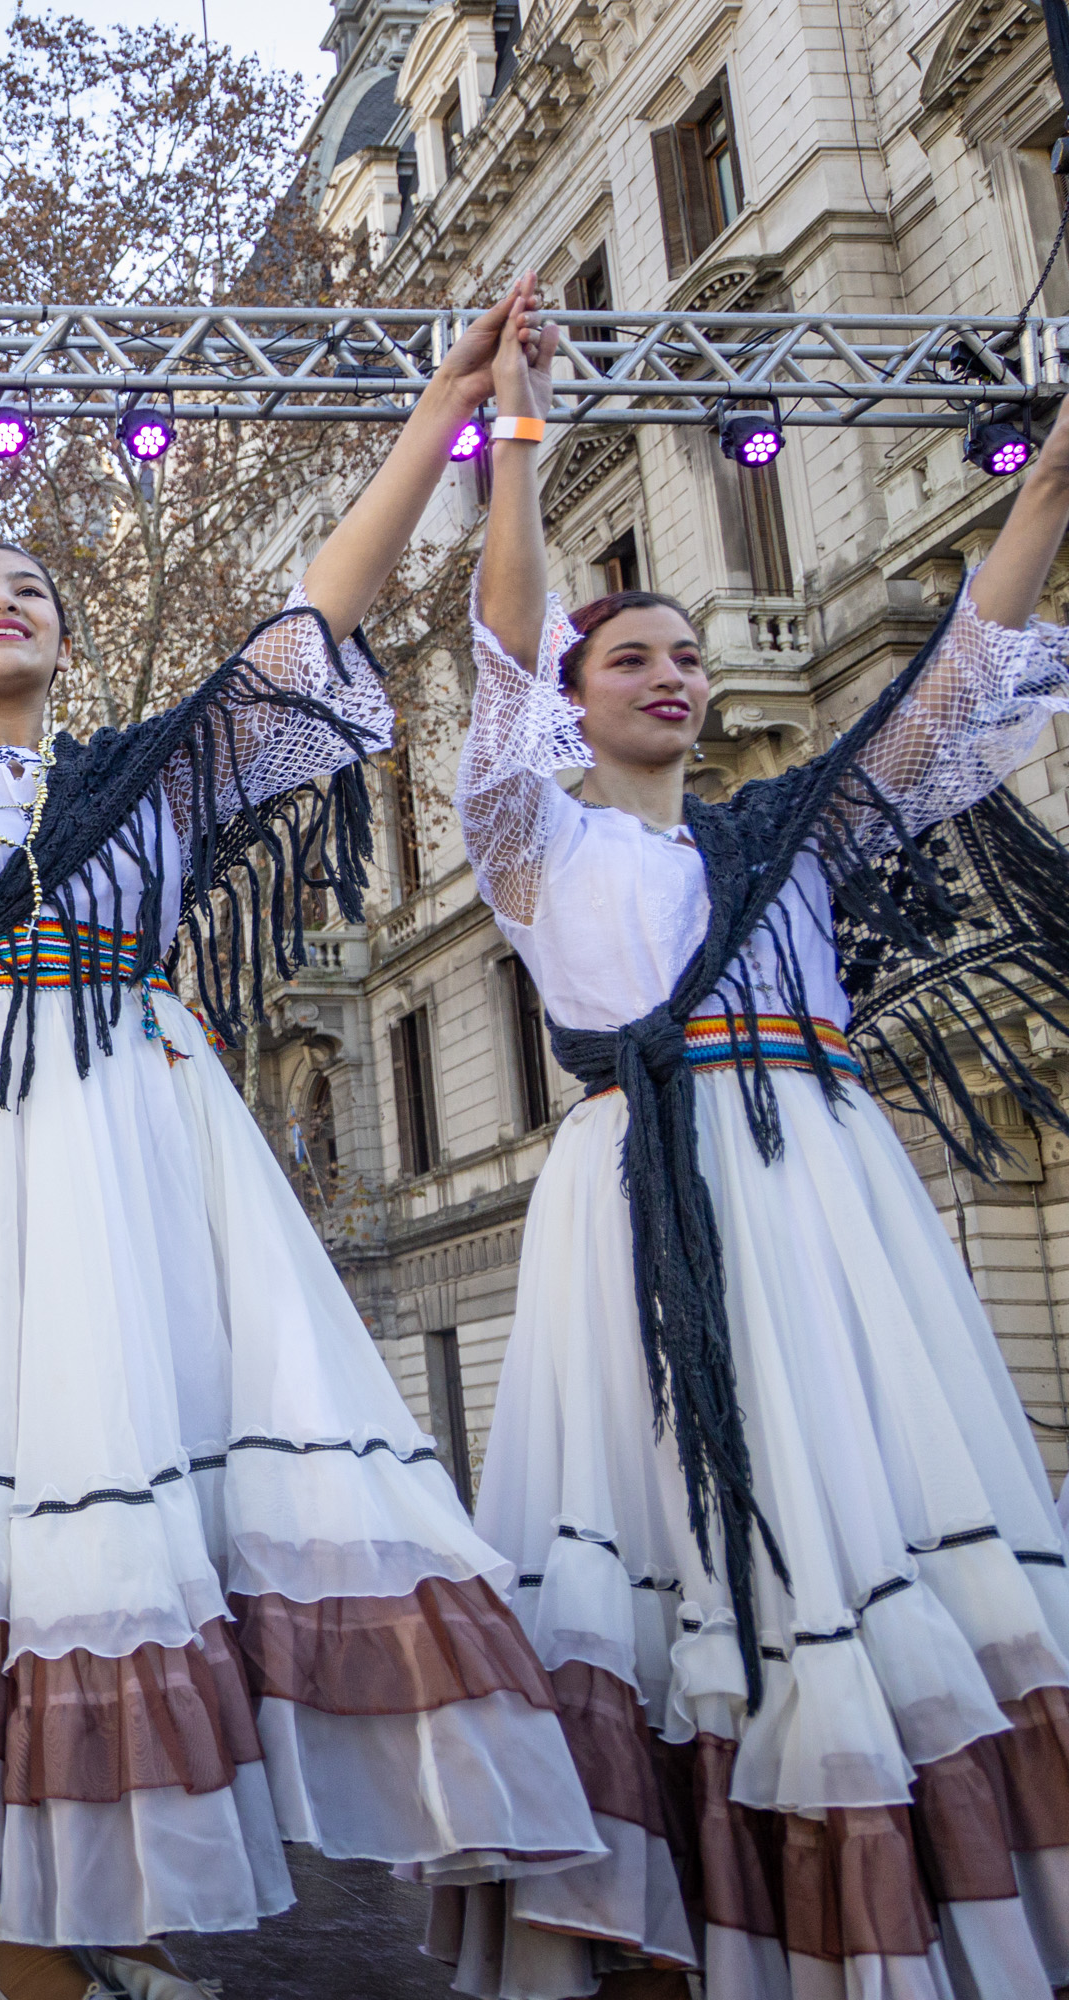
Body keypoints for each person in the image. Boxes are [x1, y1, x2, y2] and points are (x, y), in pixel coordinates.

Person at [0, 281, 603, 2000]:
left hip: (142, 1133)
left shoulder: (162, 775)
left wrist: (443, 416)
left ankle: (108, 1924)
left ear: (65, 639)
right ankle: (55, 1945)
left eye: (29, 587)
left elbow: (323, 606)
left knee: (149, 1500)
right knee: (20, 1524)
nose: (2, 600)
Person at [427, 287, 1069, 2000]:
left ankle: (888, 1910)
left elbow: (951, 698)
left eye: (689, 653)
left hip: (824, 1184)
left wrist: (1055, 483)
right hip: (647, 1194)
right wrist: (521, 447)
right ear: (576, 701)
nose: (677, 672)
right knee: (682, 1549)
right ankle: (682, 1931)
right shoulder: (530, 839)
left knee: (863, 1513)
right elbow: (500, 647)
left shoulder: (788, 835)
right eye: (634, 653)